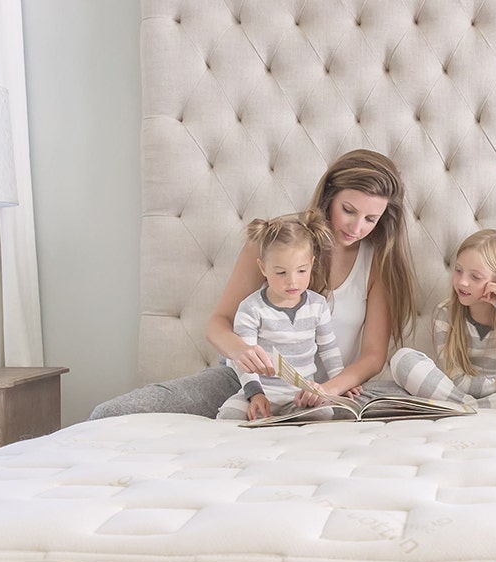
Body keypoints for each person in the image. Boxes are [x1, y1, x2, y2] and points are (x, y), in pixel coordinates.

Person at [90, 149, 416, 419]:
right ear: (329, 196)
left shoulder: (377, 261)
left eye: (370, 219)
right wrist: (242, 352)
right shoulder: (276, 241)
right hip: (244, 380)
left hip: (323, 389)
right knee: (114, 413)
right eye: (348, 210)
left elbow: (374, 356)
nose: (357, 227)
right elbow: (218, 324)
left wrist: (327, 389)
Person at [389, 229, 496, 412]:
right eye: (458, 270)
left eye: (475, 277)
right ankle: (477, 410)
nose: (462, 282)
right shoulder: (446, 313)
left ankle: (468, 410)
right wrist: (492, 389)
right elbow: (453, 377)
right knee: (402, 358)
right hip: (465, 394)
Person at [216, 212, 343, 421]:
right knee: (230, 415)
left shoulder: (318, 306)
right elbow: (245, 361)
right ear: (263, 268)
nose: (292, 282)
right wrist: (255, 394)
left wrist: (339, 381)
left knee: (324, 415)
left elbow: (329, 350)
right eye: (281, 273)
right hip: (261, 391)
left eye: (302, 271)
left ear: (311, 263)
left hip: (300, 394)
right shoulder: (251, 308)